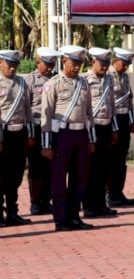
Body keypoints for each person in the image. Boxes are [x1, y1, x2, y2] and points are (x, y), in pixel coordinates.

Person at [40, 45, 96, 232]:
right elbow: (45, 118)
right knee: (59, 179)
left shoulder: (84, 83)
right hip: (61, 136)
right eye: (74, 63)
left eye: (80, 63)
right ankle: (61, 220)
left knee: (79, 178)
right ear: (64, 61)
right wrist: (46, 144)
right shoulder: (53, 83)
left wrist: (91, 139)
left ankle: (74, 217)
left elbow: (89, 113)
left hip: (80, 134)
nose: (77, 67)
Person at [24, 47, 61, 215]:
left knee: (52, 166)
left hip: (54, 127)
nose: (49, 67)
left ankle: (47, 200)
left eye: (52, 64)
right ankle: (36, 202)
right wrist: (30, 133)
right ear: (38, 62)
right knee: (36, 166)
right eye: (46, 64)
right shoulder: (30, 81)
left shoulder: (57, 79)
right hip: (37, 126)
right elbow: (26, 109)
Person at [83, 47, 119, 218]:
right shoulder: (85, 80)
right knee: (90, 169)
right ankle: (89, 205)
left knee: (104, 168)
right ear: (93, 62)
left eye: (107, 63)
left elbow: (112, 105)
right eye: (101, 63)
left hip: (106, 127)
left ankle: (100, 204)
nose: (104, 66)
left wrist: (114, 129)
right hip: (92, 128)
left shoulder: (109, 80)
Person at [0, 50, 34, 226]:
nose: (12, 68)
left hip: (19, 133)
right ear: (0, 62)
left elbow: (27, 110)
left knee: (16, 174)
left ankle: (12, 213)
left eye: (15, 65)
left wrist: (29, 135)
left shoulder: (21, 82)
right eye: (9, 65)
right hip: (3, 133)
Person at [107, 47, 134, 207]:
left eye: (128, 64)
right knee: (111, 158)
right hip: (113, 119)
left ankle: (118, 192)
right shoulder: (107, 76)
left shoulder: (125, 77)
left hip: (124, 119)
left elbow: (129, 100)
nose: (125, 67)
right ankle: (108, 193)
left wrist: (132, 121)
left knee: (121, 158)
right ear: (116, 61)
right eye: (123, 63)